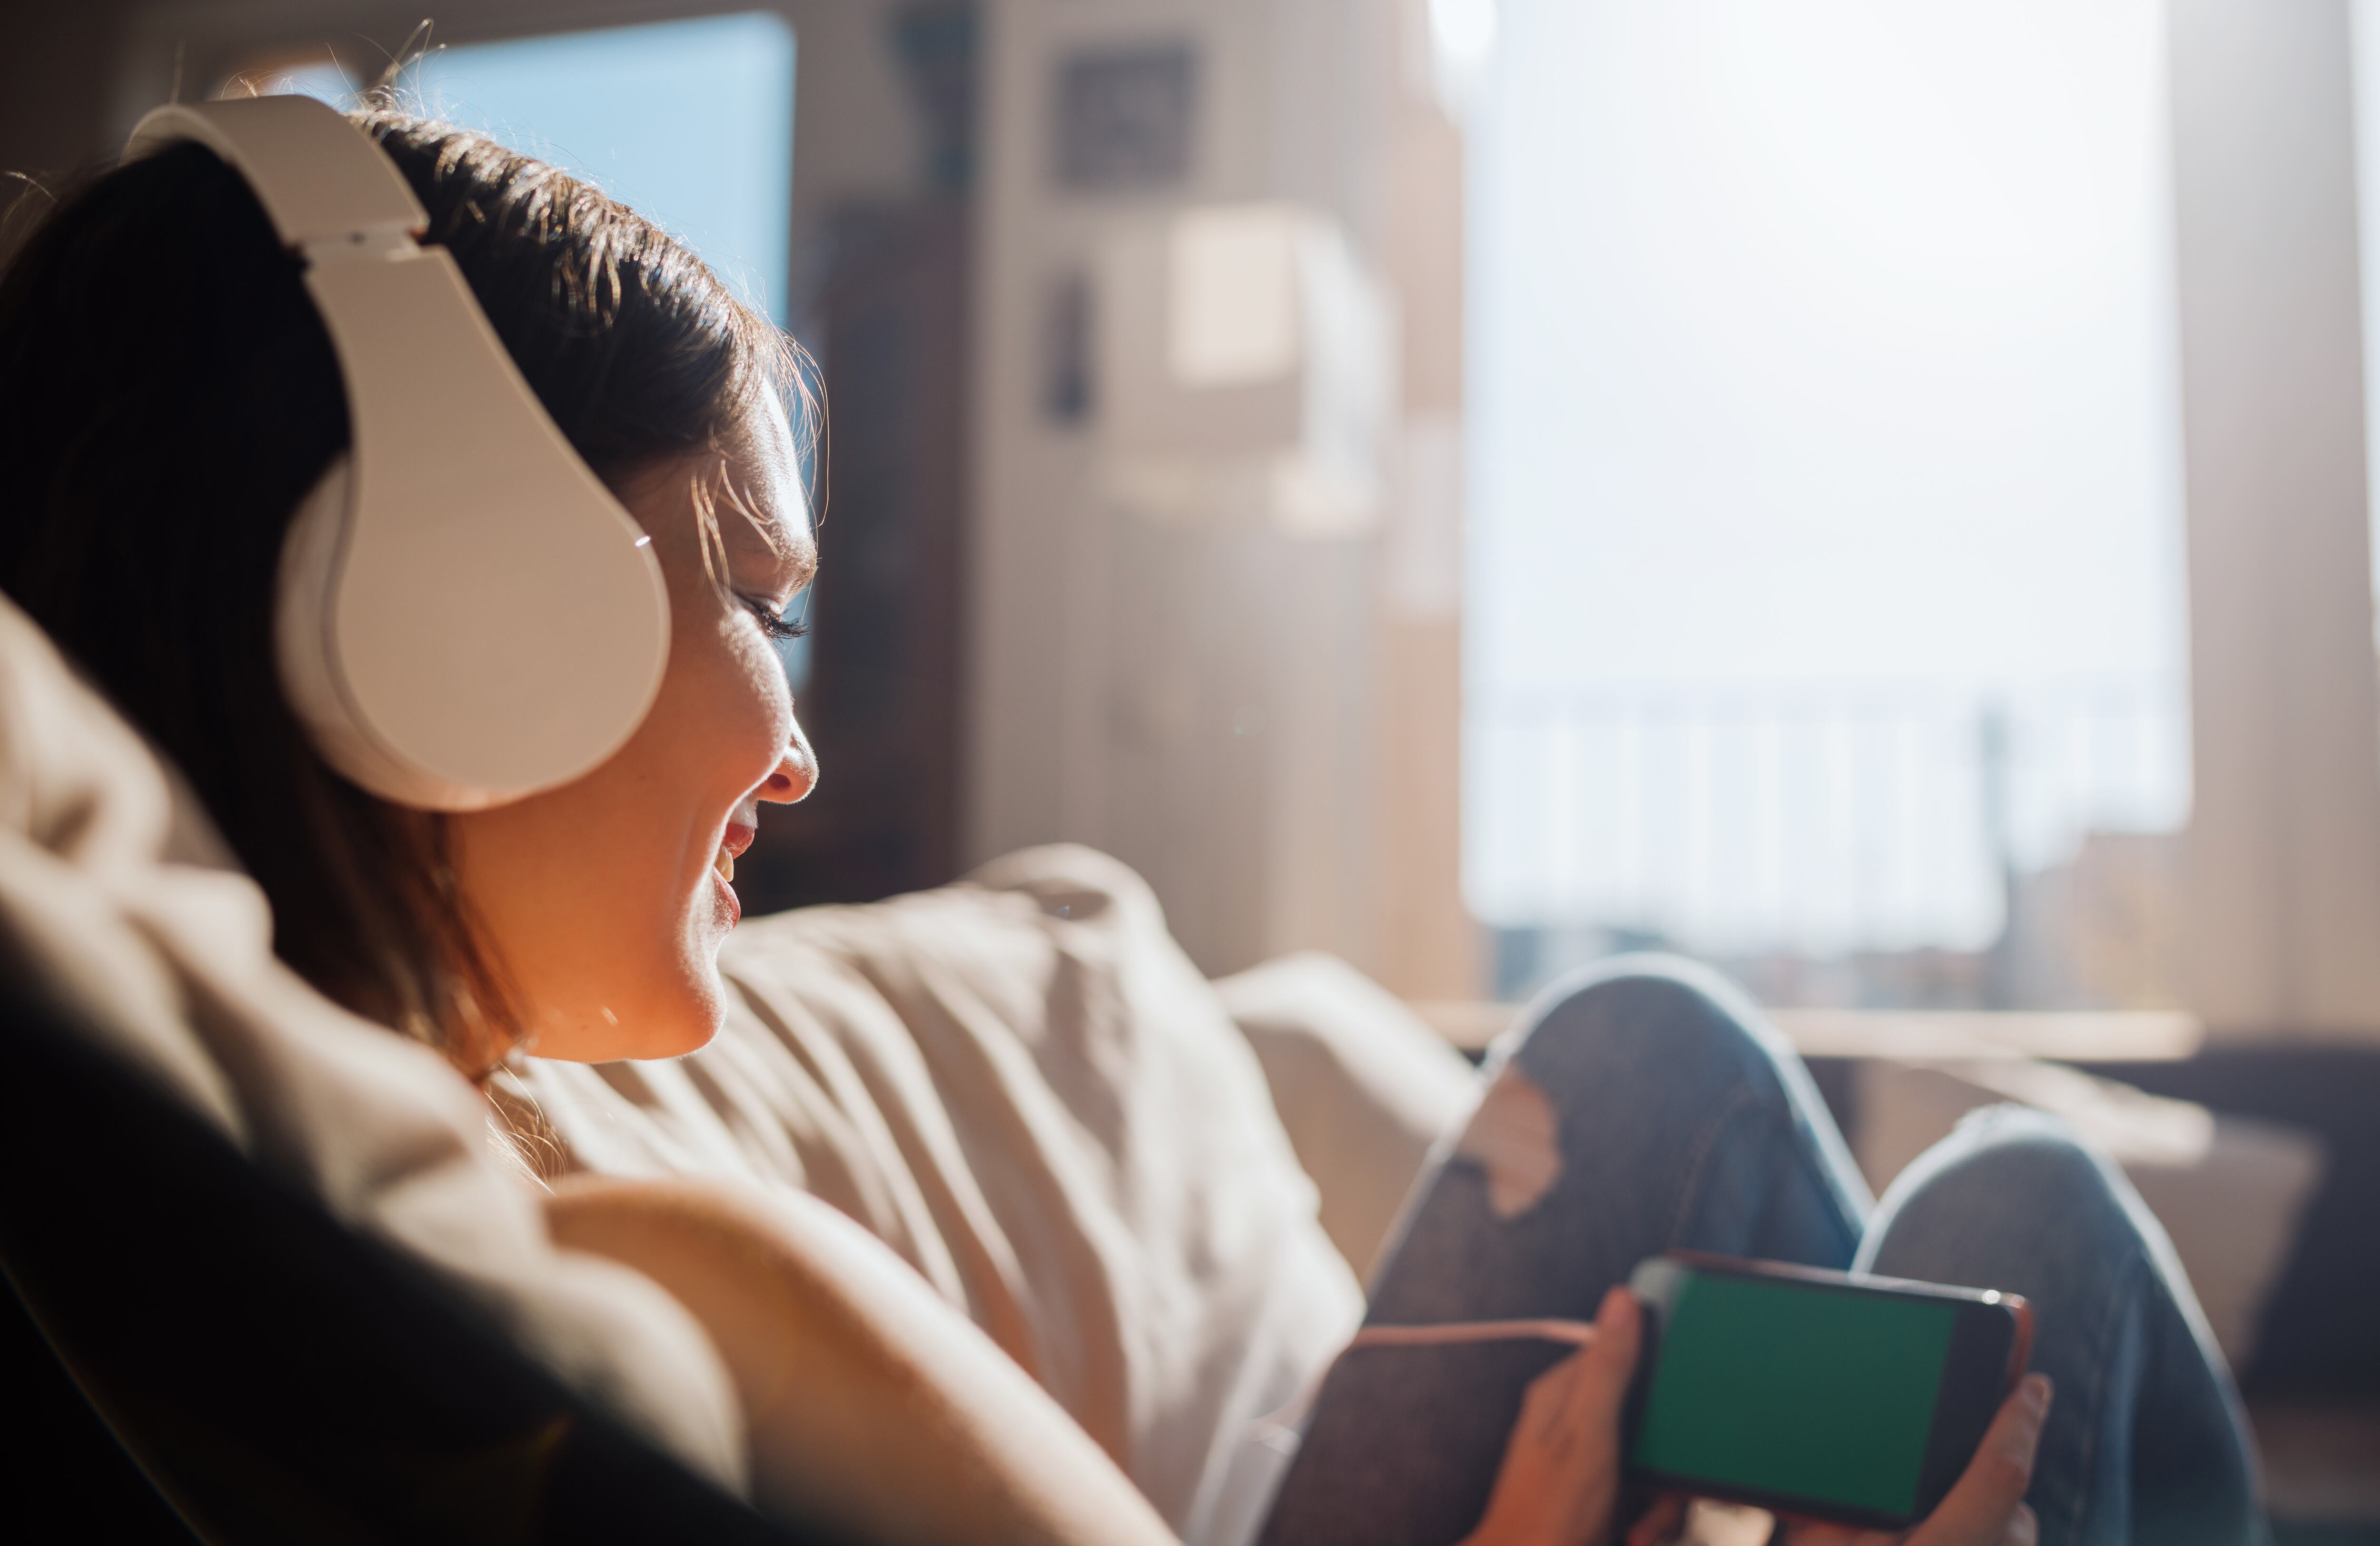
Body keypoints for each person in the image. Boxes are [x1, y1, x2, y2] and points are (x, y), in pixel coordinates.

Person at [0, 102, 2259, 1546]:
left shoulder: (238, 1223)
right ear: (460, 617)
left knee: (1668, 1056)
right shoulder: (662, 1282)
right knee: (2027, 1220)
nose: (792, 755)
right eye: (755, 603)